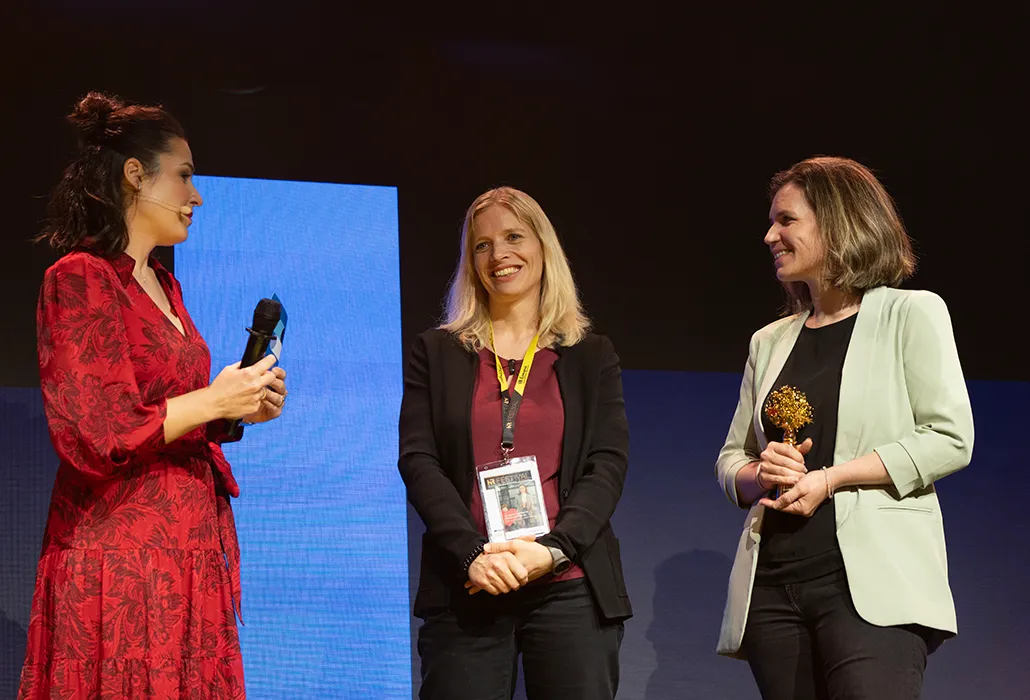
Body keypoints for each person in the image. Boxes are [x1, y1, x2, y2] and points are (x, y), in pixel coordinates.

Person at [18, 92, 288, 699]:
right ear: (135, 175)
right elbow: (99, 432)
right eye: (186, 175)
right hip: (121, 550)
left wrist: (239, 405)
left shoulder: (165, 284)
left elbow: (167, 411)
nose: (197, 196)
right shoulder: (80, 278)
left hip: (186, 545)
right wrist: (214, 401)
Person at [714, 156, 974, 698]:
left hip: (868, 588)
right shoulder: (768, 341)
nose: (770, 235)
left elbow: (950, 438)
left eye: (786, 220)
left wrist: (829, 479)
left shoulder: (911, 313)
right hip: (774, 589)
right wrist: (760, 475)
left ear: (836, 222)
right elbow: (730, 461)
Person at [398, 186, 631, 700]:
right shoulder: (436, 351)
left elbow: (606, 464)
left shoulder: (590, 355)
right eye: (482, 245)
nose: (498, 255)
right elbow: (419, 460)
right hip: (470, 583)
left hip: (567, 584)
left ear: (543, 247)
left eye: (513, 237)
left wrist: (552, 551)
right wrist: (474, 554)